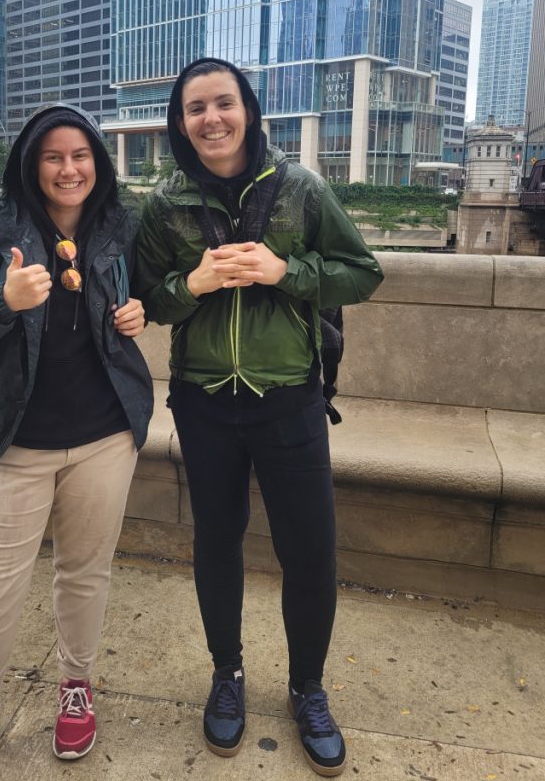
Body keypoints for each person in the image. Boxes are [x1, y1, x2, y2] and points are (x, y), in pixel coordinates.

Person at [134, 58, 383, 777]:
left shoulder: (300, 188)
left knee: (310, 553)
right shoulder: (165, 203)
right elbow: (148, 300)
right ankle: (227, 674)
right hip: (206, 404)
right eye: (194, 108)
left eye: (224, 103)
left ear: (248, 109)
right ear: (179, 123)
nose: (210, 119)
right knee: (217, 542)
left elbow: (362, 271)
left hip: (290, 402)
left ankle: (308, 686)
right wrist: (195, 282)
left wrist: (286, 272)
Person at [0, 104, 153, 781]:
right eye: (53, 156)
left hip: (104, 434)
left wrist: (140, 309)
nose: (69, 168)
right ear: (32, 164)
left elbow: (148, 293)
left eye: (80, 155)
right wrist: (4, 299)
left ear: (97, 162)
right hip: (15, 438)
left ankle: (76, 685)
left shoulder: (119, 225)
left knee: (85, 575)